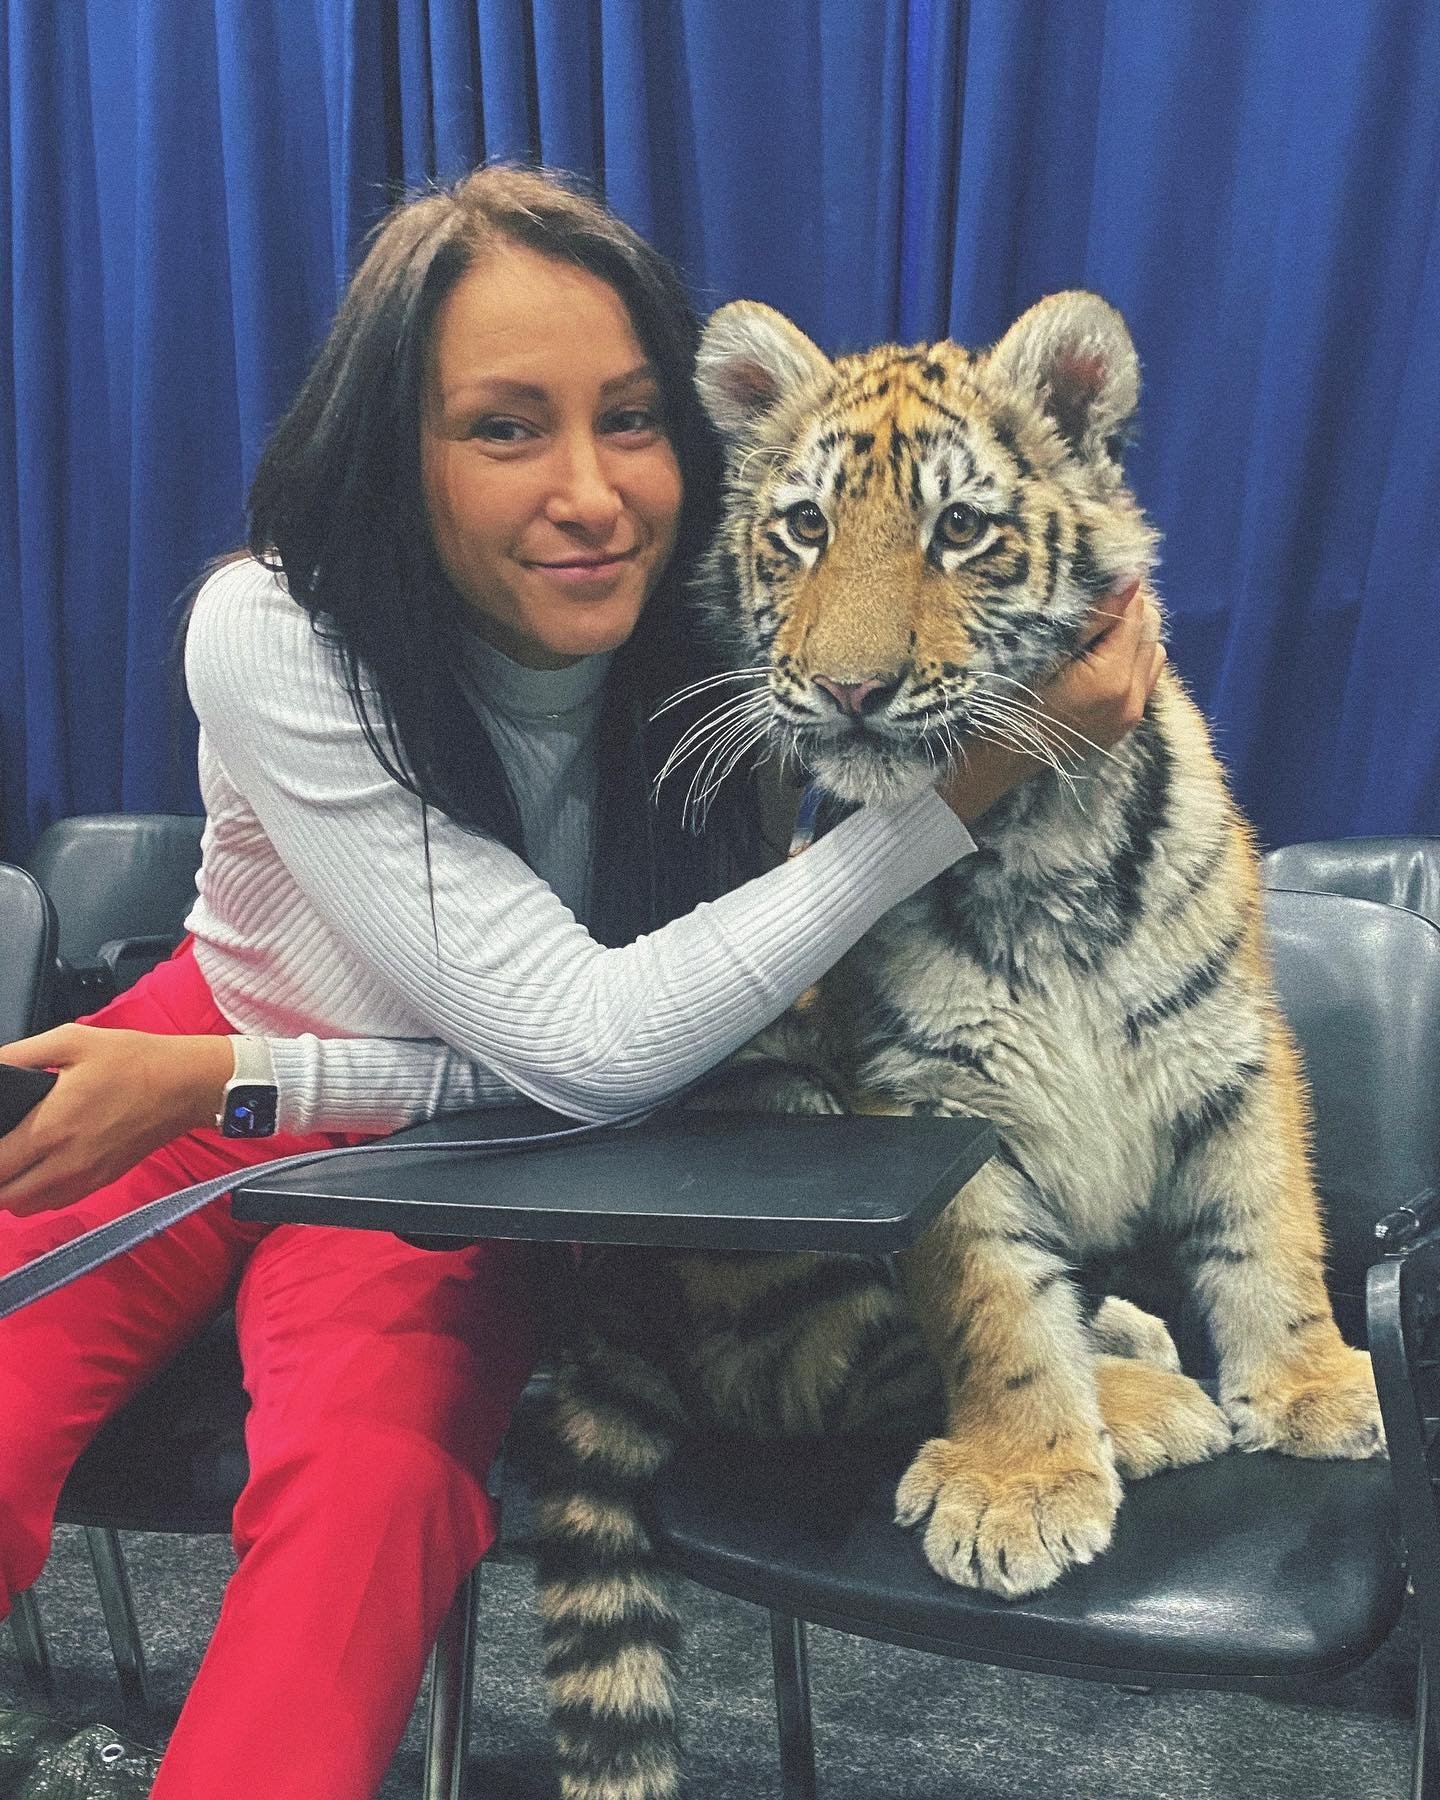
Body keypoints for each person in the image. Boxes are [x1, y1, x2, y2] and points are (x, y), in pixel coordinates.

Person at [0, 165, 1164, 1799]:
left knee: (375, 1492)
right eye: (504, 427)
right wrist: (958, 798)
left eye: (630, 420)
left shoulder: (730, 634)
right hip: (188, 1069)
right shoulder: (270, 624)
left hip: (478, 1145)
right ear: (391, 449)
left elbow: (589, 1062)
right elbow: (592, 1037)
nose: (592, 492)